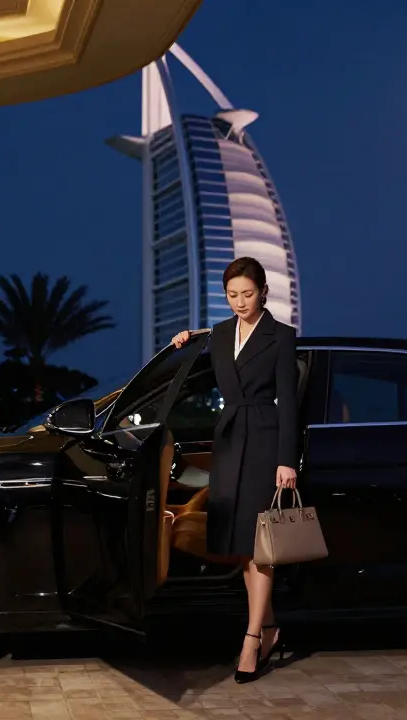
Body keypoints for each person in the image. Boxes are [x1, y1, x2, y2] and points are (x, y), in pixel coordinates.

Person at [171, 256, 298, 683]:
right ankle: (270, 627)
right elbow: (206, 369)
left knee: (261, 546)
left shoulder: (281, 337)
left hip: (264, 440)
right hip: (228, 441)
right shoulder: (221, 333)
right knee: (245, 545)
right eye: (232, 295)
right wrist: (187, 340)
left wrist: (286, 459)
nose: (240, 302)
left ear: (263, 292)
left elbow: (289, 403)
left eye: (247, 294)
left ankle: (251, 638)